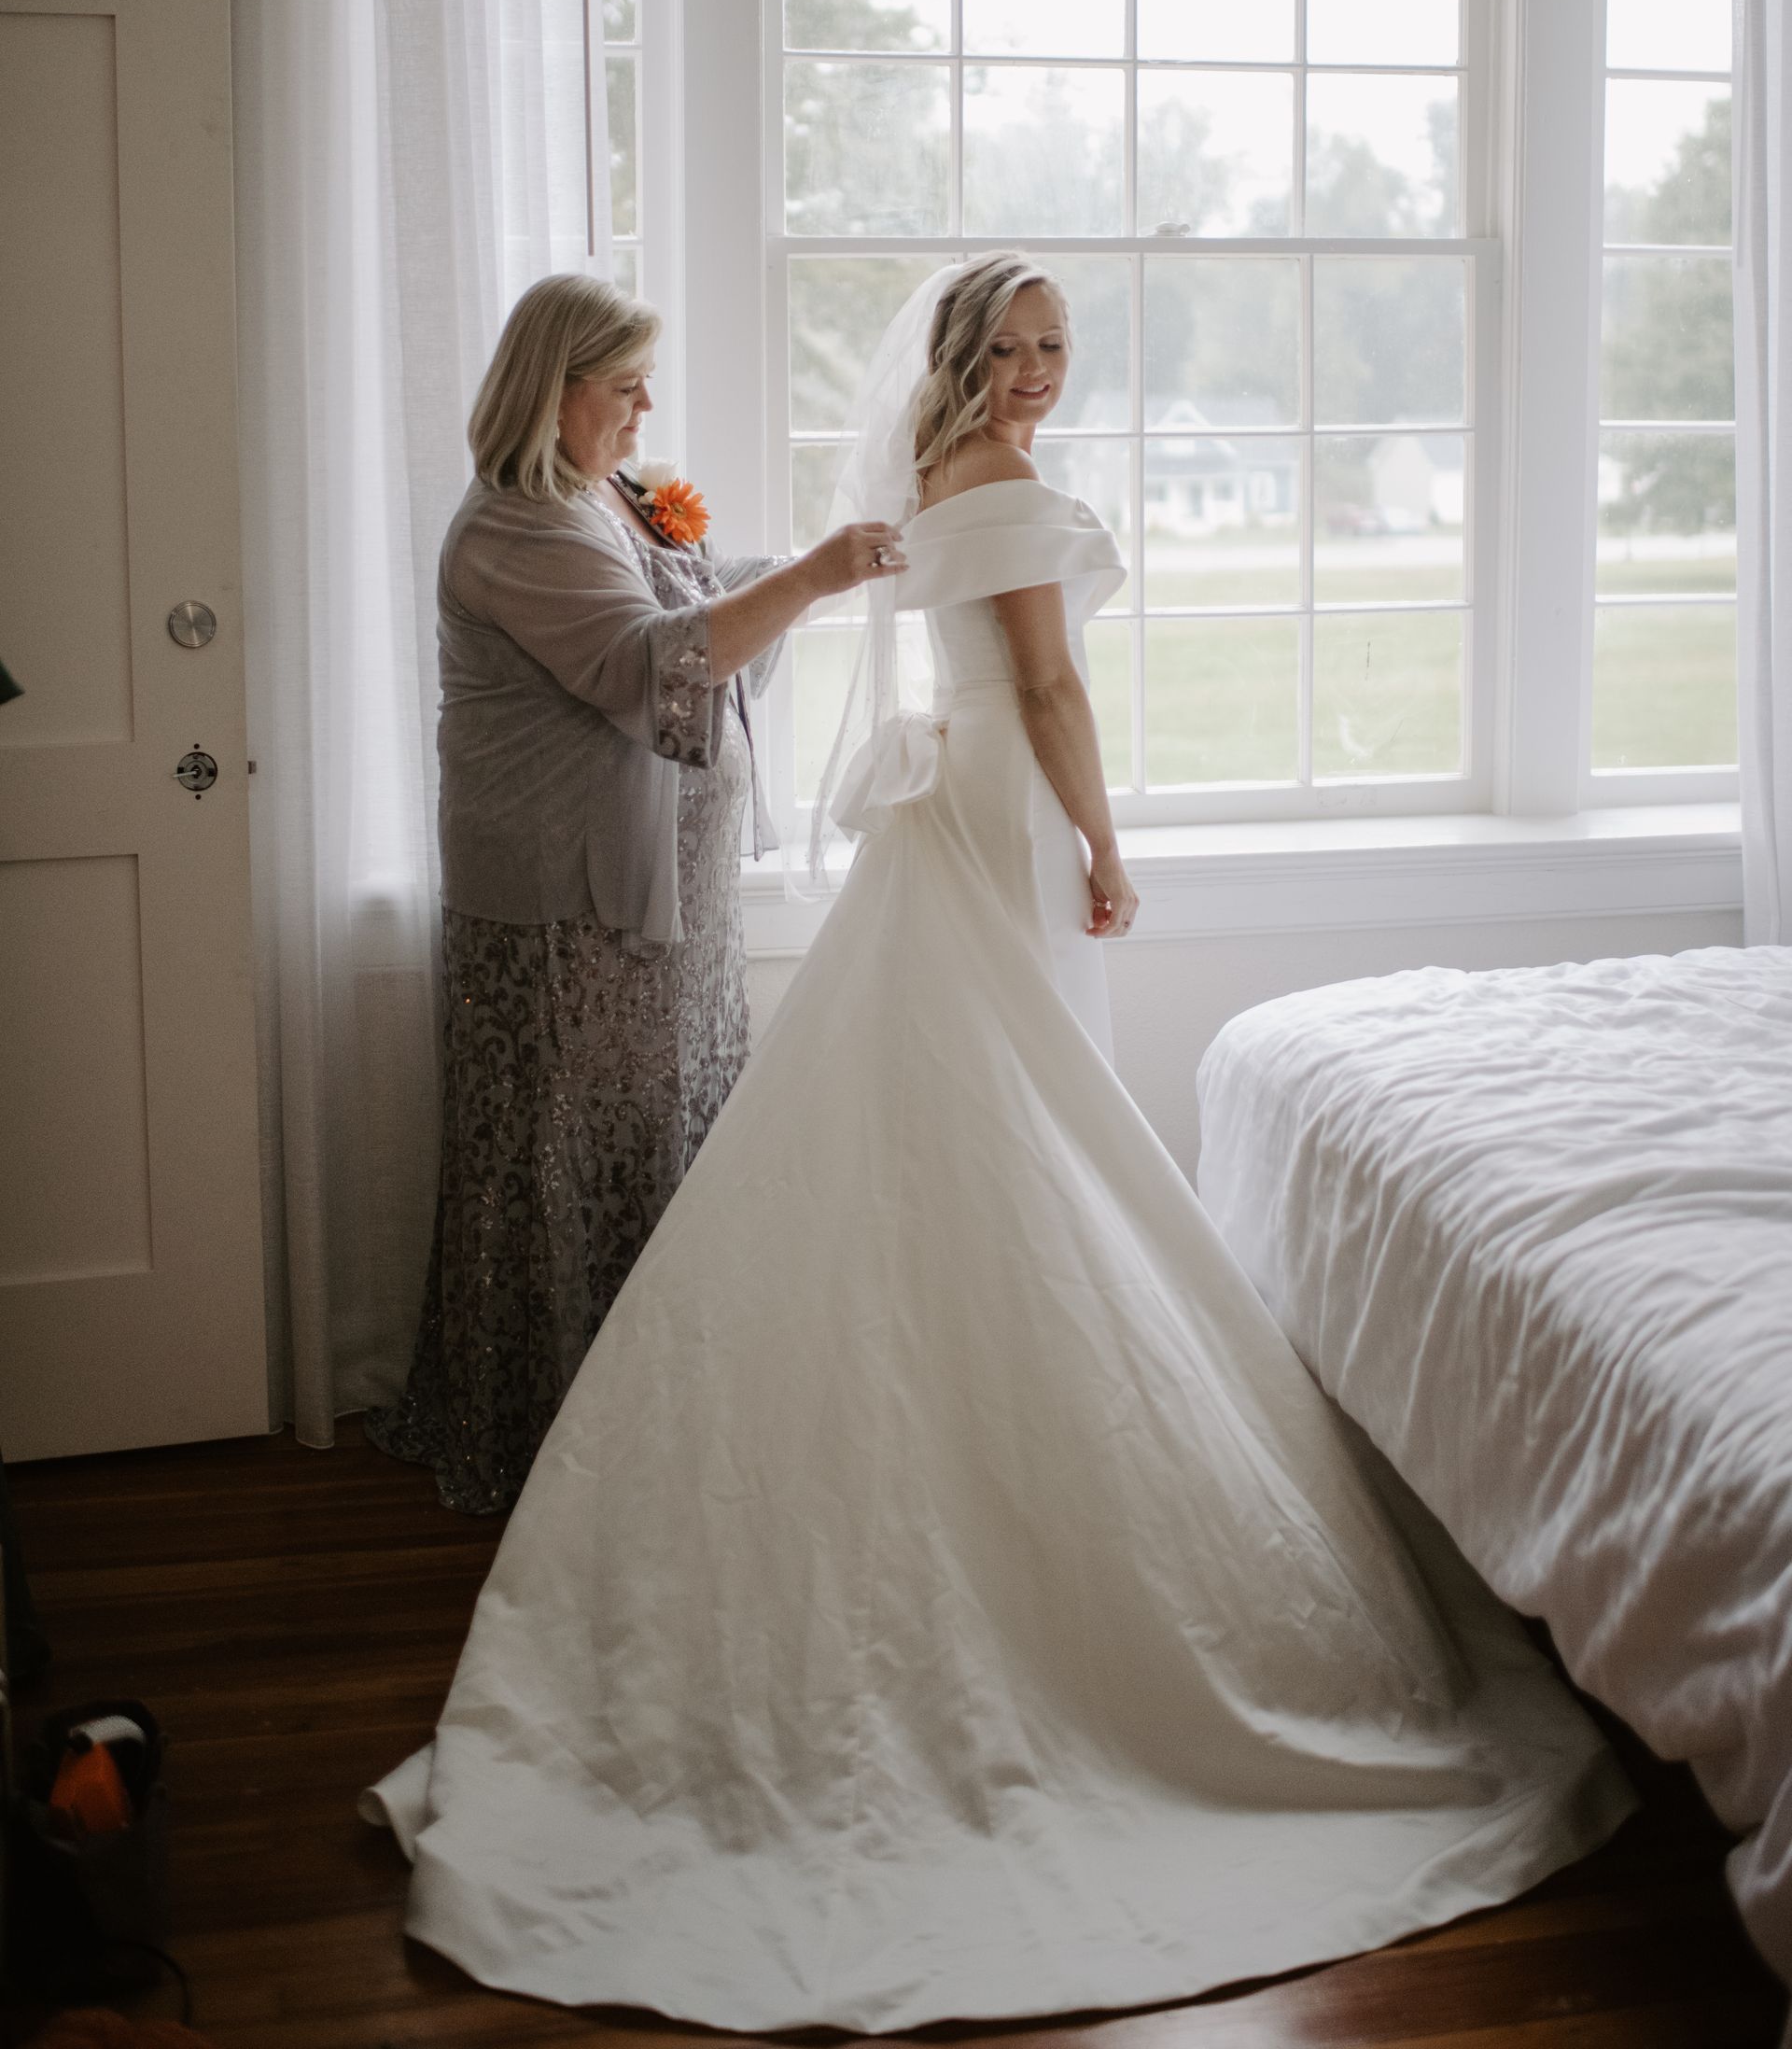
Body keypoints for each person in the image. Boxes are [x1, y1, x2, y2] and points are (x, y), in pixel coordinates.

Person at [364, 254, 1631, 2028]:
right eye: (1014, 347)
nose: (1037, 374)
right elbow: (1047, 695)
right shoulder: (988, 488)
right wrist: (1109, 850)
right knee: (1036, 1121)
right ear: (966, 357)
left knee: (963, 1113)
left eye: (1056, 349)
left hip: (935, 817)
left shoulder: (930, 475)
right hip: (992, 809)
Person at [368, 273, 902, 1514]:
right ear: (549, 394)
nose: (647, 408)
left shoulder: (604, 495)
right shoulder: (518, 526)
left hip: (661, 901)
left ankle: (657, 1406)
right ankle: (563, 1436)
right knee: (574, 1154)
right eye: (623, 386)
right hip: (572, 909)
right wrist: (815, 577)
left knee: (661, 1139)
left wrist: (799, 565)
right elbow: (651, 663)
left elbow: (693, 599)